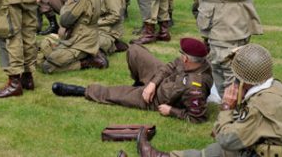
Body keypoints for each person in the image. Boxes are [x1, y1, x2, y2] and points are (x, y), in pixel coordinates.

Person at [130, 44, 282, 157]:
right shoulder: (276, 87)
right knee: (215, 151)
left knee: (222, 150)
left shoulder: (259, 107)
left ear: (245, 80)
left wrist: (227, 107)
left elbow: (226, 140)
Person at [53, 37, 211, 124]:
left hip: (157, 99)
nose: (180, 56)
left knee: (116, 95)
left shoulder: (194, 87)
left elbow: (198, 117)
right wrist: (152, 84)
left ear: (187, 59)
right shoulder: (195, 61)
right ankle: (140, 83)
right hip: (161, 82)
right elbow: (169, 66)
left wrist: (171, 111)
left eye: (181, 54)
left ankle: (81, 91)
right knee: (135, 50)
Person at [37, 0, 108, 73]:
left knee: (46, 65)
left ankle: (87, 62)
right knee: (43, 47)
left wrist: (66, 6)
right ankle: (90, 56)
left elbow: (65, 20)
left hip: (81, 42)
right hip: (87, 37)